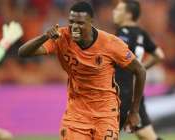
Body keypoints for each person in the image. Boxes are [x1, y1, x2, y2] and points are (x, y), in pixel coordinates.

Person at [18, 1, 146, 140]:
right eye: (71, 22)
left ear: (91, 22)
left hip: (105, 112)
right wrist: (45, 37)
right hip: (77, 114)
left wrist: (134, 111)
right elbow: (23, 52)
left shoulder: (111, 44)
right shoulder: (61, 37)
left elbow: (140, 71)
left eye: (80, 23)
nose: (74, 27)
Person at [112, 1, 165, 140]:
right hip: (136, 94)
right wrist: (140, 69)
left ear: (128, 14)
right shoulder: (142, 33)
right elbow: (159, 55)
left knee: (106, 134)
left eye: (118, 10)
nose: (114, 12)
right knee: (147, 135)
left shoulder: (121, 34)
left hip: (120, 94)